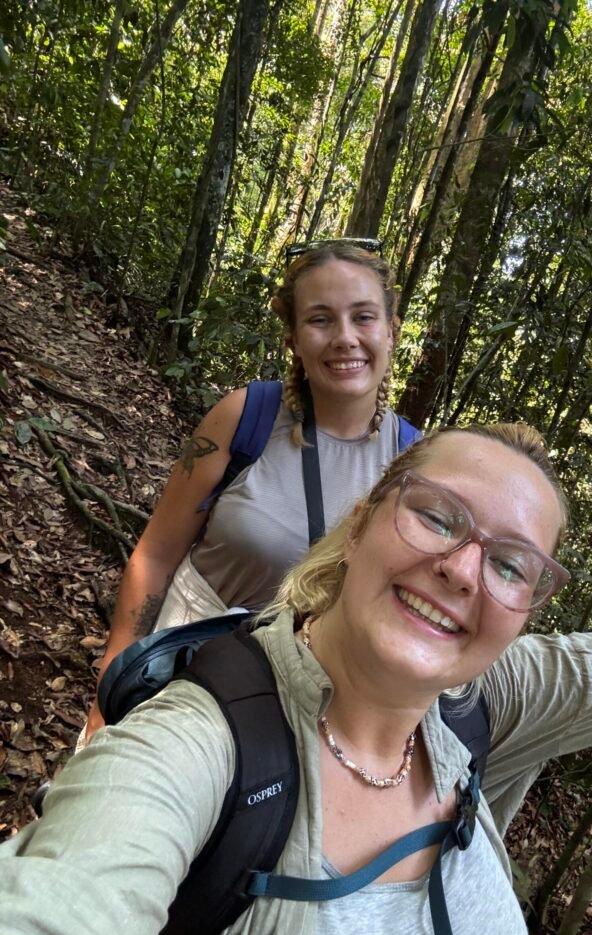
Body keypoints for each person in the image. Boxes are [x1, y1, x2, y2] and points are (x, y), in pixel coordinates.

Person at [2, 422, 592, 935]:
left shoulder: (480, 700)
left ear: (525, 610)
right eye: (439, 517)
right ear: (364, 519)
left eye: (510, 565)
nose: (465, 569)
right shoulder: (196, 747)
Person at [85, 238, 414, 738]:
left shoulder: (410, 463)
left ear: (391, 332)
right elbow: (154, 555)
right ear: (294, 338)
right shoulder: (245, 417)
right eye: (321, 319)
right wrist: (110, 688)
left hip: (292, 706)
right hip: (181, 661)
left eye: (363, 317)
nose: (345, 337)